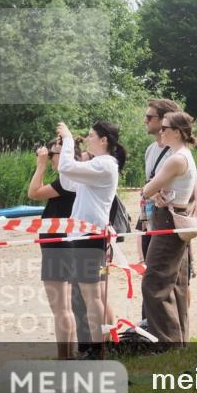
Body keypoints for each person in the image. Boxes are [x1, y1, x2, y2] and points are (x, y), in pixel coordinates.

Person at [55, 120, 126, 359]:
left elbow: (66, 167)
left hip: (89, 236)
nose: (87, 139)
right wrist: (68, 151)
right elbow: (67, 181)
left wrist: (67, 139)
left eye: (91, 135)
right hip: (85, 236)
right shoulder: (99, 164)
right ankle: (103, 346)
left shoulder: (104, 164)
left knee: (92, 296)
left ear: (103, 140)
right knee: (92, 295)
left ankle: (98, 348)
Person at [29, 140, 93, 358]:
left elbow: (33, 192)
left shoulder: (67, 180)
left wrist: (40, 165)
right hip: (70, 243)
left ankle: (65, 357)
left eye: (52, 154)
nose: (50, 158)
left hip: (57, 246)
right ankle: (74, 352)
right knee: (72, 304)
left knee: (61, 308)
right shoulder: (79, 177)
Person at [140, 111, 197, 345]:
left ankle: (166, 342)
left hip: (168, 220)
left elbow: (147, 189)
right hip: (174, 217)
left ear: (177, 132)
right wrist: (155, 194)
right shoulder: (183, 155)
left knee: (154, 283)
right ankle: (178, 340)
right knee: (176, 285)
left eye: (164, 128)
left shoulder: (176, 159)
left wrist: (152, 193)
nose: (160, 132)